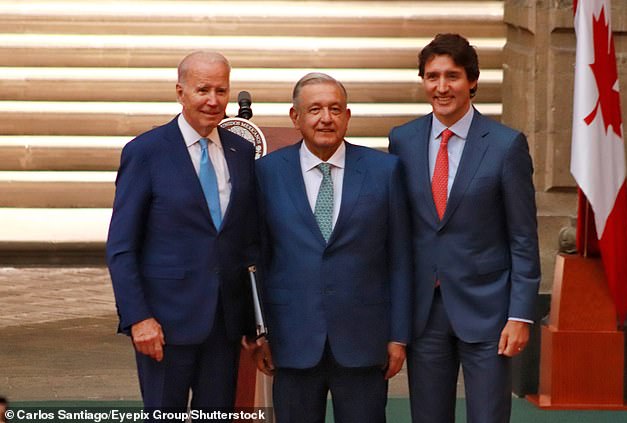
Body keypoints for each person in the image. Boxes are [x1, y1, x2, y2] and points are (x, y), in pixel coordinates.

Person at [389, 34, 540, 423]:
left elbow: (523, 237)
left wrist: (520, 315)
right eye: (432, 76)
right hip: (425, 311)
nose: (442, 87)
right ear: (423, 81)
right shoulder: (402, 140)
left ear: (472, 81)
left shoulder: (506, 146)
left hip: (489, 311)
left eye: (452, 76)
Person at [251, 73, 412, 423]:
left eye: (335, 109)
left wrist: (399, 336)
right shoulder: (266, 173)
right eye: (315, 109)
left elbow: (400, 258)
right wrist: (259, 332)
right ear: (295, 117)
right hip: (291, 340)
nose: (326, 118)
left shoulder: (384, 171)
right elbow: (258, 258)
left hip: (363, 342)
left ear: (348, 116)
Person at [106, 51, 256, 417]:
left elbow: (247, 241)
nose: (213, 100)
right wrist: (138, 317)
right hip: (163, 326)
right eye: (202, 89)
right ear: (180, 92)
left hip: (224, 325)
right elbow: (122, 246)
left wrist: (255, 322)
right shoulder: (146, 152)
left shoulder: (242, 151)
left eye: (221, 90)